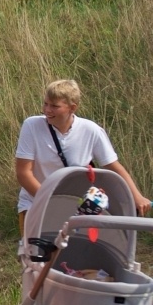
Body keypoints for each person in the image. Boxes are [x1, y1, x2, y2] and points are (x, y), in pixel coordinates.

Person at [15, 79, 150, 226]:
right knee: (39, 249)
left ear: (72, 108)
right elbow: (24, 173)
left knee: (73, 249)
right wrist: (52, 203)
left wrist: (137, 196)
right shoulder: (32, 126)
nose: (47, 110)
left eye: (55, 106)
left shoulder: (91, 130)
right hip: (36, 203)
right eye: (45, 104)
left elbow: (113, 167)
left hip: (75, 208)